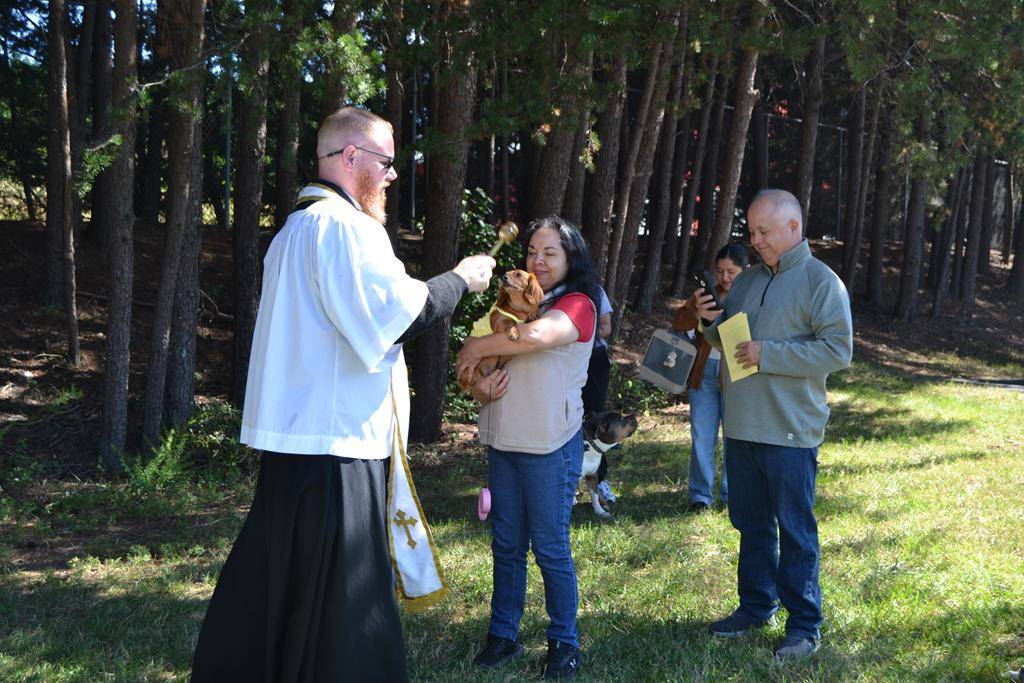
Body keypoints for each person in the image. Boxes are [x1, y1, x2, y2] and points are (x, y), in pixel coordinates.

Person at [190, 107, 495, 682]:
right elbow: (401, 313)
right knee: (345, 605)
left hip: (295, 444)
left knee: (285, 586)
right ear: (350, 157)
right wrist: (462, 279)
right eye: (386, 162)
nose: (392, 175)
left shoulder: (293, 231)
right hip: (337, 445)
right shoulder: (345, 228)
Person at [695, 189, 852, 662]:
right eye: (752, 230)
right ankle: (755, 608)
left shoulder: (822, 283)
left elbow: (837, 350)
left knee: (795, 529)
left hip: (789, 430)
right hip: (742, 426)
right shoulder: (746, 282)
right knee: (751, 525)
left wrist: (771, 353)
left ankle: (804, 626)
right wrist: (708, 326)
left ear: (793, 229)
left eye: (764, 231)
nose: (755, 239)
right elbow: (733, 345)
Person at [455, 216, 598, 680]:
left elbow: (537, 336)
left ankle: (564, 643)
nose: (538, 259)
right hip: (503, 441)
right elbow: (474, 374)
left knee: (551, 548)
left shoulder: (579, 304)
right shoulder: (511, 305)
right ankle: (503, 635)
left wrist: (476, 346)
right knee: (506, 545)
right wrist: (478, 385)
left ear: (571, 258)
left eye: (550, 252)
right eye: (533, 251)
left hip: (549, 446)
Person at [672, 243, 750, 513]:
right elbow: (678, 321)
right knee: (701, 436)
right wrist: (697, 314)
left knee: (735, 437)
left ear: (746, 270)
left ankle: (732, 494)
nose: (725, 278)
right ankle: (700, 497)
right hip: (703, 375)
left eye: (732, 272)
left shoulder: (753, 295)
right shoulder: (705, 294)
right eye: (720, 271)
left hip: (738, 376)